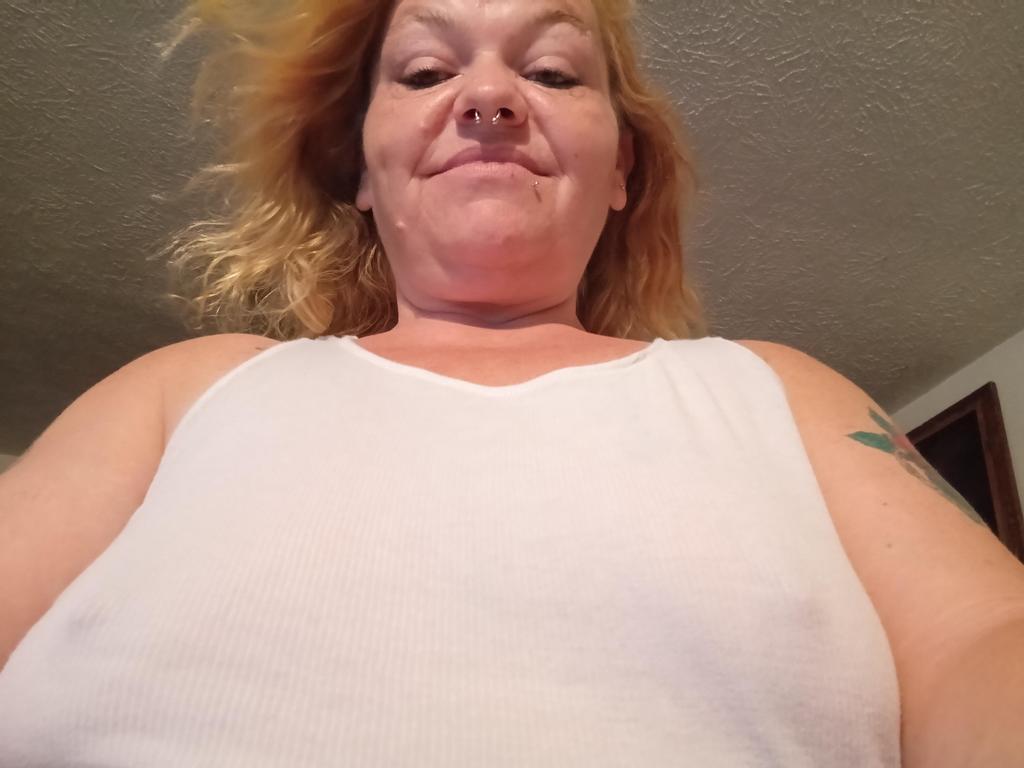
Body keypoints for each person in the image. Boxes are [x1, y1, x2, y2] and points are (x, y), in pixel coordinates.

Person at [1, 0, 1022, 765]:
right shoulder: (188, 392)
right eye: (424, 70)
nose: (487, 98)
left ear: (621, 169)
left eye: (552, 70)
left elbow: (984, 641)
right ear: (358, 169)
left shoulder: (777, 391)